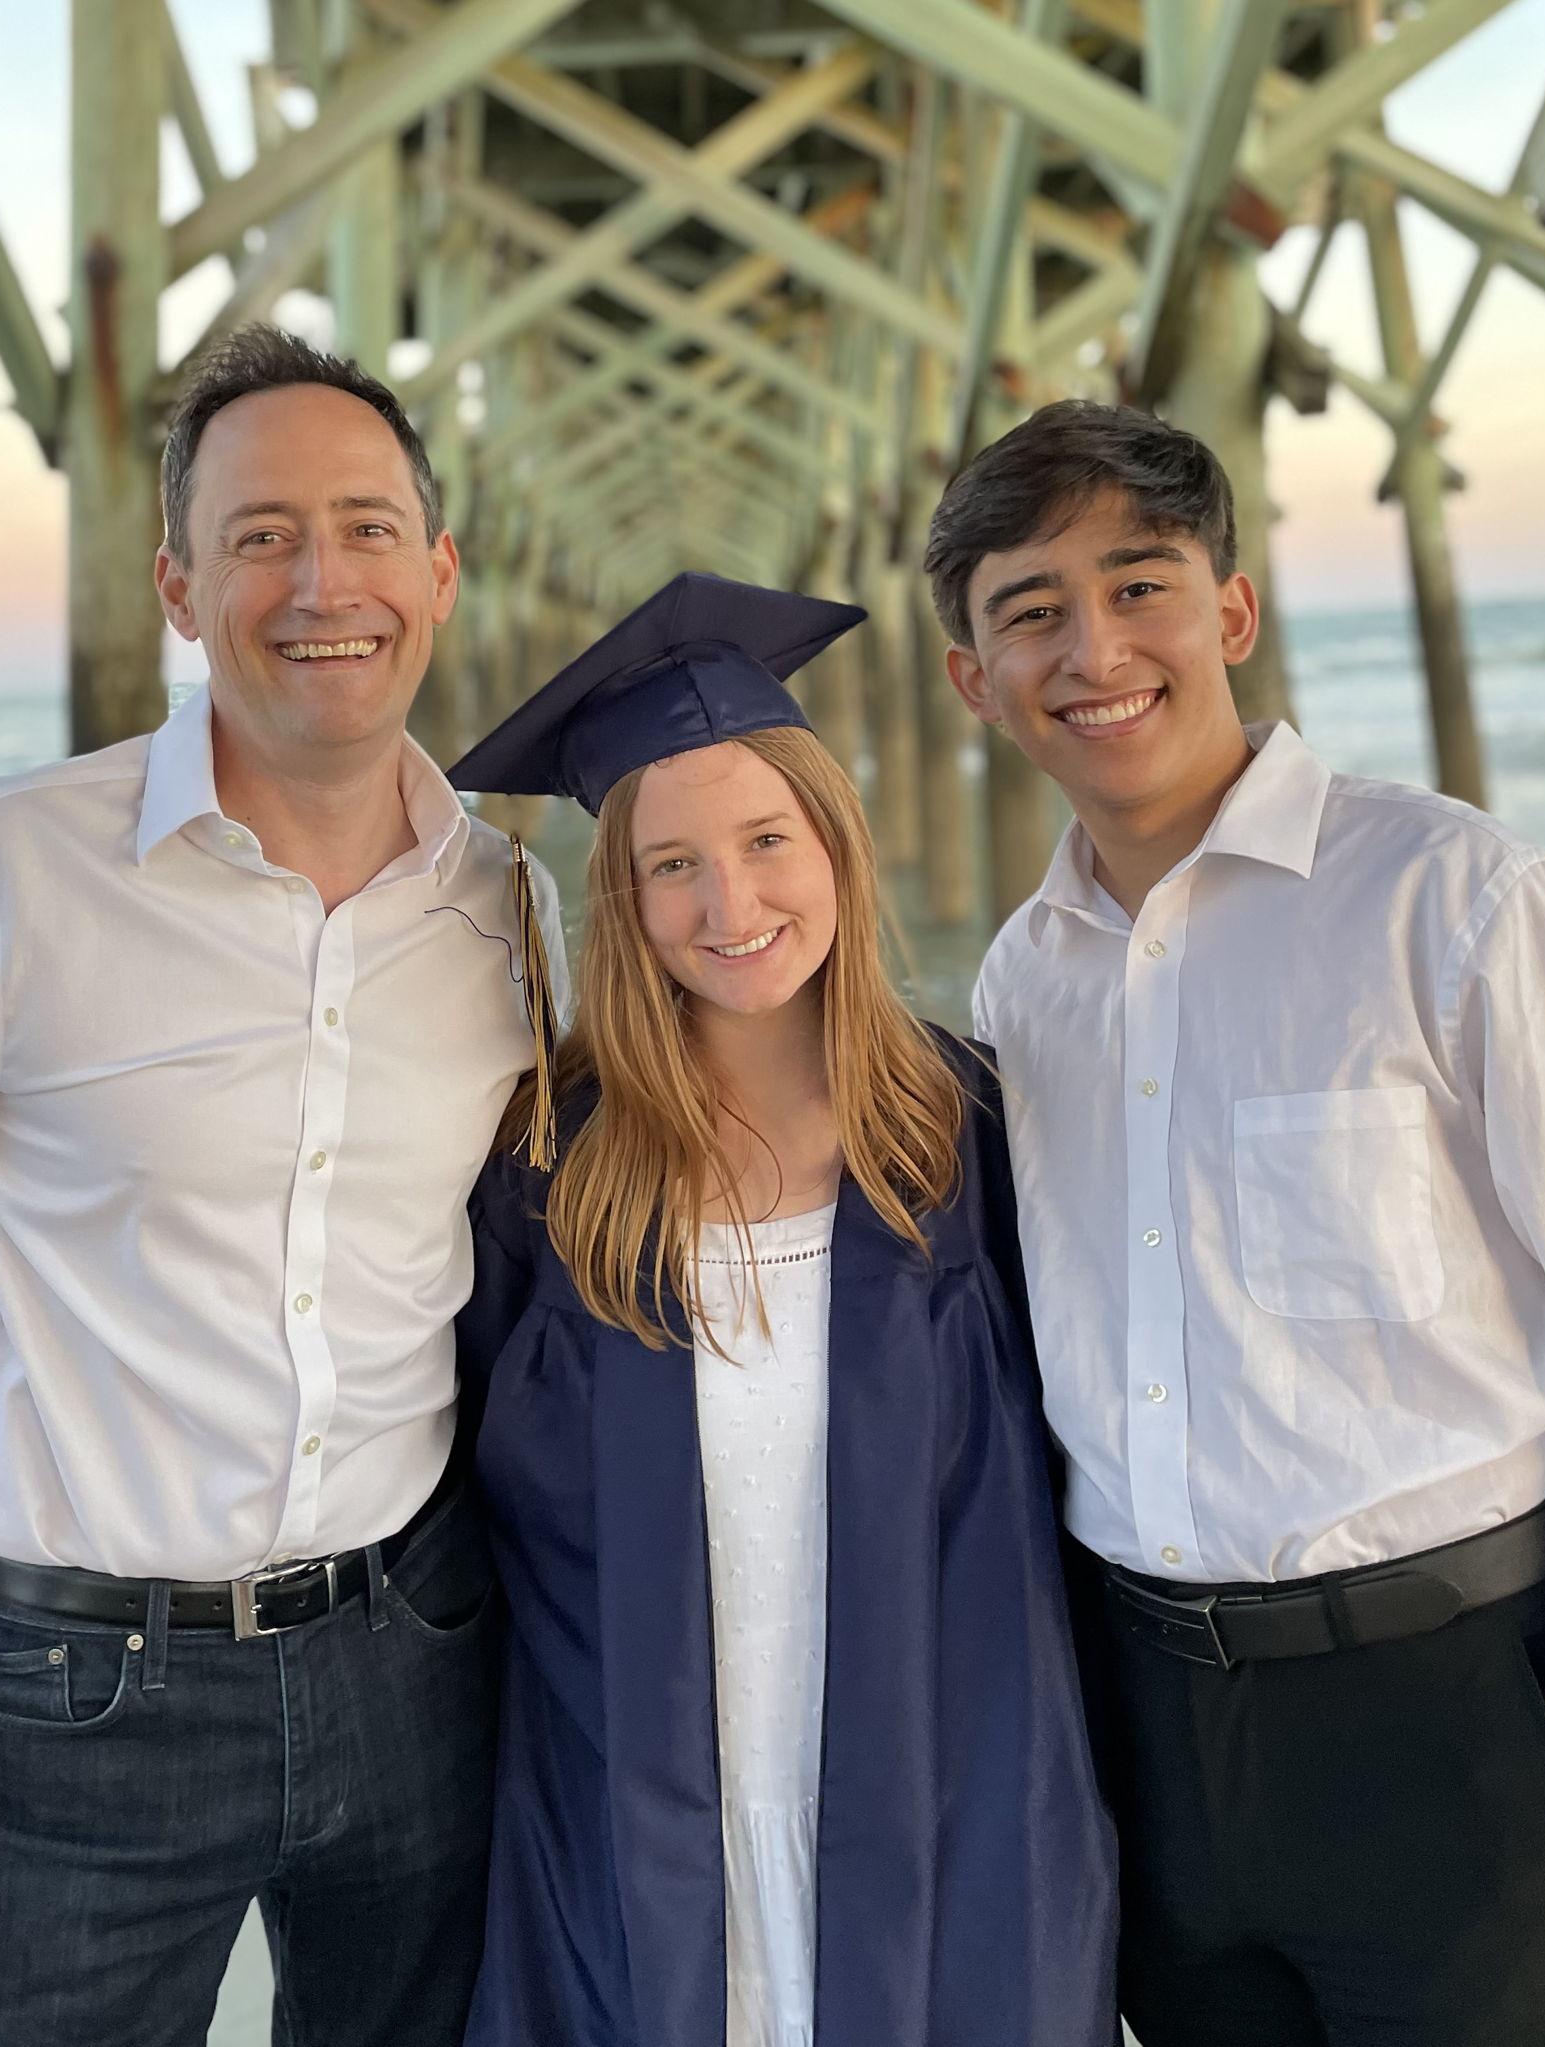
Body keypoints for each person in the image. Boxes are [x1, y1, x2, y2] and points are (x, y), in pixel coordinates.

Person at [0, 323, 561, 2045]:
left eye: (368, 527)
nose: (324, 580)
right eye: (261, 536)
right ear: (181, 586)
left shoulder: (518, 913)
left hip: (422, 1643)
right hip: (82, 1687)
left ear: (442, 570)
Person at [931, 397, 1545, 2045]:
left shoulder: (1463, 903)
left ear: (1232, 610)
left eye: (1140, 586)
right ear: (970, 677)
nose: (1094, 649)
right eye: (1031, 612)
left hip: (1474, 1730)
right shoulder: (1024, 977)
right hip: (1156, 1746)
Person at [443, 573, 1119, 2045]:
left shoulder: (972, 1133)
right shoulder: (546, 1174)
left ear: (837, 841)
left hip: (955, 1840)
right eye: (669, 865)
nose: (729, 904)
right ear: (616, 900)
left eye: (766, 840)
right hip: (624, 1859)